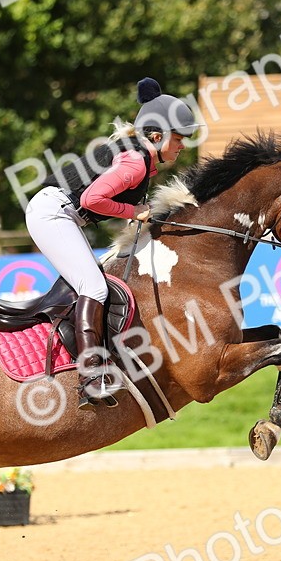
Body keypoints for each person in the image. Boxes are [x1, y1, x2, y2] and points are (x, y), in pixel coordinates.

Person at [25, 77, 199, 411]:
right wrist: (133, 212)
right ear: (157, 136)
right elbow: (91, 199)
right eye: (178, 139)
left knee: (92, 283)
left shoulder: (138, 156)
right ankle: (90, 376)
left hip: (59, 212)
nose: (182, 146)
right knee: (94, 287)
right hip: (53, 213)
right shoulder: (135, 162)